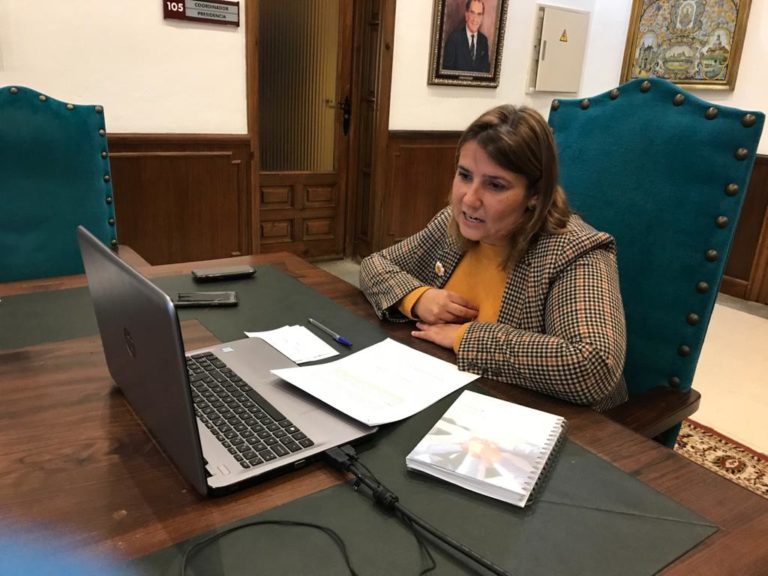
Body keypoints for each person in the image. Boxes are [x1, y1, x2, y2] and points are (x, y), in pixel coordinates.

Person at [359, 105, 628, 411]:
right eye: (464, 175)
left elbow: (594, 366)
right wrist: (417, 297)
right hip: (451, 394)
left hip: (551, 423)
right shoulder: (454, 223)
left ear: (535, 194)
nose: (469, 198)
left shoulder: (575, 250)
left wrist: (465, 337)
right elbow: (375, 265)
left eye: (495, 185)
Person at [442, 0, 491, 73]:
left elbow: (485, 72)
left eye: (479, 14)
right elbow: (446, 72)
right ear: (466, 15)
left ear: (482, 18)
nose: (475, 19)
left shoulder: (483, 41)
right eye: (472, 13)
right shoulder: (454, 39)